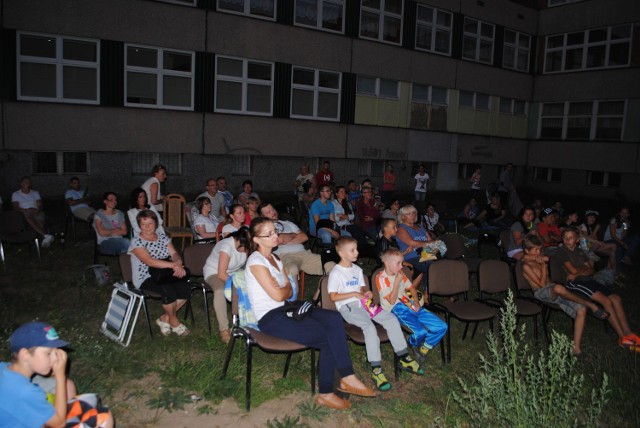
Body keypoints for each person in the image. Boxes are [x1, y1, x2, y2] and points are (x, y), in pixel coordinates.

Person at [246, 217, 376, 410]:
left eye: (275, 231)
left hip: (287, 308)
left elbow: (290, 290)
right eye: (270, 233)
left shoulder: (275, 259)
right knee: (326, 336)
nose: (276, 236)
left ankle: (347, 378)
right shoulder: (255, 261)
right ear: (256, 240)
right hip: (271, 318)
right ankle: (327, 392)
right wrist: (282, 289)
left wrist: (283, 289)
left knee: (333, 318)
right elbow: (278, 293)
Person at [328, 237, 422, 391]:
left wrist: (367, 292)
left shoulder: (357, 270)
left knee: (391, 319)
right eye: (352, 250)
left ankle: (403, 356)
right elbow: (333, 297)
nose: (357, 252)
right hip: (348, 307)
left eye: (356, 249)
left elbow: (362, 289)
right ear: (341, 253)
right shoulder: (336, 273)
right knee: (369, 328)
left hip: (364, 303)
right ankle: (376, 369)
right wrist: (354, 294)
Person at [0, 321, 114, 428]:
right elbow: (59, 423)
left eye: (56, 351)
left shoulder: (5, 369)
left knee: (69, 387)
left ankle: (67, 415)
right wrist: (60, 376)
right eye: (48, 353)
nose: (55, 359)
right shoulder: (25, 391)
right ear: (25, 355)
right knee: (103, 417)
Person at [552, 227, 639, 350]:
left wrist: (579, 271)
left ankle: (628, 332)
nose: (567, 240)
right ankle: (622, 338)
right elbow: (573, 271)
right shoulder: (562, 252)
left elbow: (591, 270)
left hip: (588, 280)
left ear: (576, 240)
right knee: (606, 301)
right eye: (565, 237)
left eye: (570, 237)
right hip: (575, 284)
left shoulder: (580, 251)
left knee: (616, 298)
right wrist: (582, 270)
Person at [520, 235, 598, 358]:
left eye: (539, 250)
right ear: (527, 251)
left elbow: (545, 258)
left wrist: (542, 260)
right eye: (535, 250)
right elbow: (541, 284)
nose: (538, 253)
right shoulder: (526, 266)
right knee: (558, 287)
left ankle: (576, 349)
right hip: (541, 292)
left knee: (581, 309)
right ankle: (590, 303)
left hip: (554, 291)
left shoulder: (537, 258)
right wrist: (544, 266)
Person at [376, 248, 447, 365]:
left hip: (409, 304)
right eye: (398, 263)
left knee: (442, 326)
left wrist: (416, 301)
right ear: (387, 263)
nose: (401, 267)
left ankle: (424, 349)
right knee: (420, 332)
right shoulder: (381, 278)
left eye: (402, 263)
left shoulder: (400, 274)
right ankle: (412, 342)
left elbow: (411, 288)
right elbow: (392, 300)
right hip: (395, 308)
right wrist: (397, 282)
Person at [129, 210, 192, 336]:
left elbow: (174, 253)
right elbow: (150, 261)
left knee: (185, 288)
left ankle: (165, 318)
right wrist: (173, 265)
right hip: (145, 276)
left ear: (156, 223)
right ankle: (174, 321)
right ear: (139, 226)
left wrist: (178, 263)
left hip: (164, 273)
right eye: (143, 224)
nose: (147, 227)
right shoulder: (136, 242)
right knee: (168, 290)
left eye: (150, 223)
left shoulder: (163, 237)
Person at [258, 202, 332, 278]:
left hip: (303, 253)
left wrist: (284, 239)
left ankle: (325, 288)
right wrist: (293, 234)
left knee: (329, 263)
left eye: (273, 209)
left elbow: (304, 237)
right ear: (263, 217)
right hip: (285, 256)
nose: (273, 212)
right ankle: (294, 290)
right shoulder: (265, 229)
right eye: (268, 212)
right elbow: (279, 240)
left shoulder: (287, 223)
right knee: (292, 269)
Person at [203, 228, 249, 343]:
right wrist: (238, 284)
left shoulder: (246, 245)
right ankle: (223, 329)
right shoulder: (226, 246)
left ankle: (247, 322)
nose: (247, 250)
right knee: (219, 291)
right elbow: (222, 274)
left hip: (235, 272)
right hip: (215, 272)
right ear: (240, 241)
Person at [395, 205, 435, 288]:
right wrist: (428, 243)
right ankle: (427, 291)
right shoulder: (401, 229)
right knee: (431, 265)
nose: (413, 215)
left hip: (426, 253)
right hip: (412, 256)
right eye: (409, 214)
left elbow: (432, 241)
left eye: (414, 213)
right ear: (402, 217)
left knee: (441, 263)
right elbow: (412, 243)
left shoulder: (420, 227)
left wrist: (429, 244)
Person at [11, 176, 54, 247]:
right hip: (24, 212)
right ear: (21, 183)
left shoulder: (35, 193)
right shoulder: (16, 194)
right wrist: (25, 210)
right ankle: (45, 235)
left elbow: (40, 205)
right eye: (25, 182)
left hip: (36, 211)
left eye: (29, 182)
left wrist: (37, 209)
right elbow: (16, 207)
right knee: (27, 215)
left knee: (39, 222)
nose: (27, 183)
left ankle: (45, 239)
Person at [604, 207, 639, 271]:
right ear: (620, 213)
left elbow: (623, 236)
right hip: (609, 240)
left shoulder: (626, 223)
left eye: (626, 213)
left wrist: (625, 225)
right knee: (619, 248)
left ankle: (626, 256)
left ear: (628, 214)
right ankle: (617, 271)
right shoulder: (614, 220)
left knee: (636, 237)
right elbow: (613, 236)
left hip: (619, 240)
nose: (624, 214)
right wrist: (623, 244)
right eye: (622, 212)